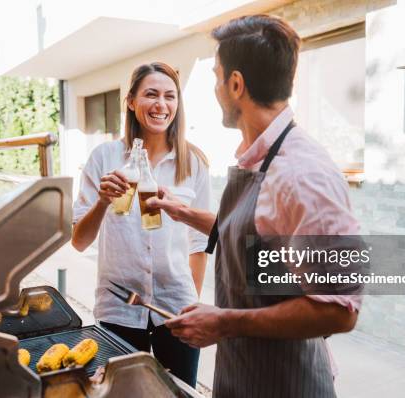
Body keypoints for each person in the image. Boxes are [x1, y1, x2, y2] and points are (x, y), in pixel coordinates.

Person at [147, 15, 362, 397]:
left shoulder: (302, 174)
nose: (215, 88)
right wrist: (181, 212)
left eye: (216, 77)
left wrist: (225, 322)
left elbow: (338, 309)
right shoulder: (261, 157)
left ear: (235, 84)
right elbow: (257, 235)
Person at [71, 62, 210, 387]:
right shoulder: (104, 158)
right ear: (131, 101)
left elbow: (199, 245)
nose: (161, 105)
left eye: (170, 96)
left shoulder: (194, 164)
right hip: (118, 310)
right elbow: (79, 241)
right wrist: (103, 201)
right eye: (151, 94)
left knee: (176, 393)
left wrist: (189, 309)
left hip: (174, 309)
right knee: (122, 394)